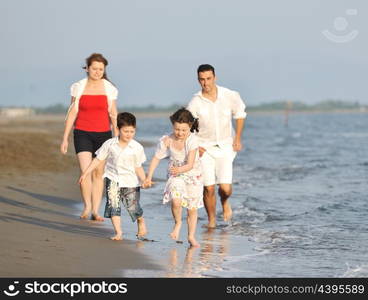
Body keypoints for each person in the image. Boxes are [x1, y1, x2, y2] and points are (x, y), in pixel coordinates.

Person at [60, 53, 119, 221]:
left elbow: (113, 114)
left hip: (103, 135)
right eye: (94, 69)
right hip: (82, 133)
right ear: (87, 68)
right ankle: (86, 206)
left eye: (101, 69)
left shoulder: (109, 88)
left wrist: (116, 137)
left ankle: (95, 210)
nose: (98, 72)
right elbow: (72, 113)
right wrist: (65, 138)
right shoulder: (78, 86)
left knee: (98, 173)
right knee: (86, 171)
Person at [187, 64, 246, 228]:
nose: (205, 83)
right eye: (202, 80)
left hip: (226, 146)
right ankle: (211, 221)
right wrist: (195, 146)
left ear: (215, 77)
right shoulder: (195, 102)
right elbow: (188, 127)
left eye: (208, 79)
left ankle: (225, 201)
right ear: (198, 80)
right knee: (208, 188)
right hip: (204, 147)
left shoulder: (229, 95)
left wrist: (238, 138)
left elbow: (240, 114)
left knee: (225, 189)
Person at [79, 112, 147, 240]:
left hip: (131, 181)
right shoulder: (109, 144)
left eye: (132, 131)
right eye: (126, 131)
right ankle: (118, 232)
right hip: (113, 179)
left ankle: (140, 220)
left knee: (133, 207)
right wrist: (86, 173)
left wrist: (144, 179)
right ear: (118, 129)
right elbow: (98, 160)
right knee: (113, 205)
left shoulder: (137, 147)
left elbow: (138, 167)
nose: (129, 134)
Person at [143, 108, 203, 247]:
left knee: (192, 209)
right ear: (173, 126)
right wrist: (149, 176)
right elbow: (156, 158)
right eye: (177, 129)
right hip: (175, 175)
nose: (180, 133)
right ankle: (178, 223)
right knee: (176, 201)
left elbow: (190, 164)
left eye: (184, 130)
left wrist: (180, 169)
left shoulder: (192, 140)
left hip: (193, 175)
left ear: (190, 126)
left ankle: (191, 236)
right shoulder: (167, 140)